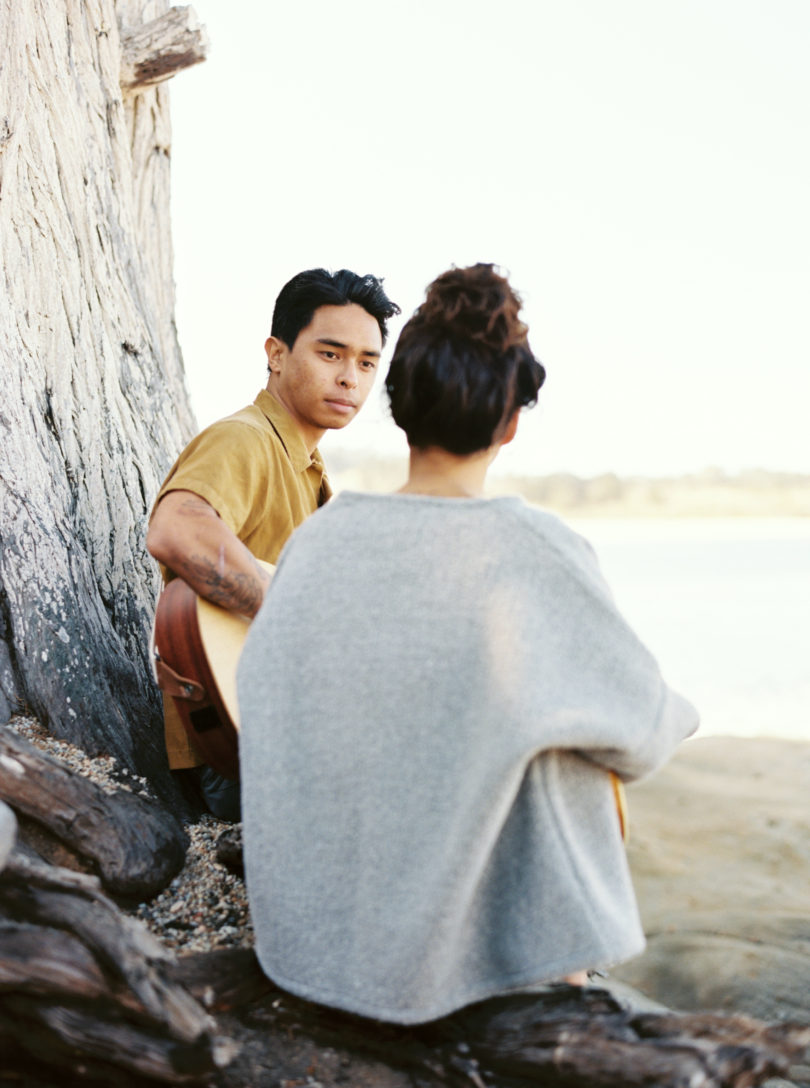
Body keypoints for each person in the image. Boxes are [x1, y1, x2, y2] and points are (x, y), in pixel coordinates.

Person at [237, 263, 698, 1024]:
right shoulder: (532, 548)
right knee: (567, 735)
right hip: (455, 967)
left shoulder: (319, 544)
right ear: (512, 422)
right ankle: (564, 984)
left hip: (312, 946)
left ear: (397, 405)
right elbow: (643, 738)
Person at [147, 268, 400, 819]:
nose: (349, 378)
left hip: (276, 733)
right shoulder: (246, 439)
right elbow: (176, 529)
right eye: (330, 354)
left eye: (366, 362)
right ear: (277, 354)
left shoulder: (307, 466)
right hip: (237, 745)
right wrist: (290, 612)